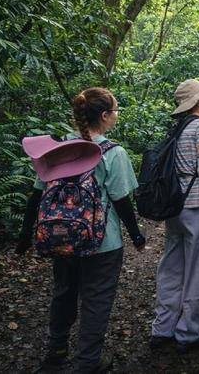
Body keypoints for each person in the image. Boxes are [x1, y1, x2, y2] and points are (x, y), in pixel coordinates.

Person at [17, 87, 145, 374]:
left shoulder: (55, 148)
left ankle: (56, 355)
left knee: (64, 292)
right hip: (103, 242)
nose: (117, 114)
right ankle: (88, 362)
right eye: (115, 109)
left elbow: (37, 195)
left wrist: (26, 234)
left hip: (60, 237)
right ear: (104, 115)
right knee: (96, 298)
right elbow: (121, 200)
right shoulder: (113, 152)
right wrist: (136, 235)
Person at [151, 79, 199, 352]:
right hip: (196, 205)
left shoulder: (177, 127)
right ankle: (190, 332)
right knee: (197, 268)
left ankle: (163, 328)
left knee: (172, 265)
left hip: (174, 204)